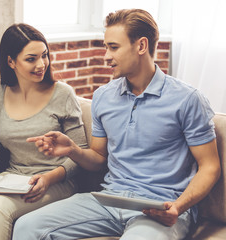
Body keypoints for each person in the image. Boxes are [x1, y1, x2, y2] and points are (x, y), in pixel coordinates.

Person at [12, 9, 221, 240]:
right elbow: (99, 158)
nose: (106, 56)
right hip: (109, 199)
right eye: (106, 47)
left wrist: (178, 207)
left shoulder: (188, 99)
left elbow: (210, 166)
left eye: (113, 47)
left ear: (141, 46)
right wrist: (72, 150)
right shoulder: (104, 96)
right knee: (26, 227)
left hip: (161, 206)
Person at [0, 23, 87, 240]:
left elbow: (80, 152)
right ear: (10, 61)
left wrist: (49, 178)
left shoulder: (63, 94)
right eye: (31, 59)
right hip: (13, 178)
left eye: (44, 55)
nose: (41, 64)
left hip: (57, 181)